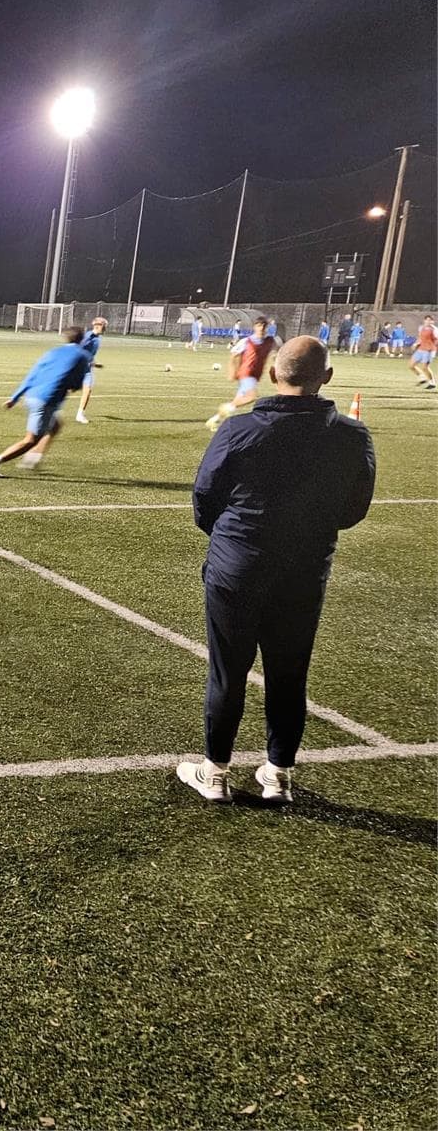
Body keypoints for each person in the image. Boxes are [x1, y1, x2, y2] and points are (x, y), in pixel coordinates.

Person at [180, 337, 374, 804]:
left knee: (228, 671)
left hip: (237, 566)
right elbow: (354, 508)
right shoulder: (352, 435)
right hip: (305, 570)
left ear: (273, 375)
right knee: (290, 672)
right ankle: (278, 774)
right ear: (326, 377)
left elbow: (205, 498)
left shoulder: (239, 429)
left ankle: (215, 773)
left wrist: (234, 538)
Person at [0, 325, 90, 477]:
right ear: (83, 339)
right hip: (47, 399)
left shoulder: (53, 352)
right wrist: (74, 385)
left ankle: (32, 459)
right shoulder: (83, 355)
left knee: (56, 426)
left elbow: (32, 374)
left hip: (32, 395)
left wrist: (15, 397)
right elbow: (76, 384)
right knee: (31, 440)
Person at [206, 317, 277, 430]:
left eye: (264, 326)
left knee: (238, 399)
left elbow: (275, 353)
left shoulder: (270, 341)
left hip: (255, 375)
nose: (262, 328)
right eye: (259, 325)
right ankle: (226, 407)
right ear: (254, 327)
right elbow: (233, 354)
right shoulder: (246, 341)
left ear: (267, 328)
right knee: (251, 396)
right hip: (246, 373)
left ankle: (215, 420)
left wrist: (276, 363)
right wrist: (232, 372)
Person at [74, 316, 107, 424]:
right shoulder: (89, 336)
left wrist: (94, 363)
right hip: (78, 367)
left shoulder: (97, 338)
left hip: (87, 368)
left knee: (87, 390)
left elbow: (89, 354)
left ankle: (80, 414)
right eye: (104, 326)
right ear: (98, 326)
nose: (105, 328)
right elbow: (78, 349)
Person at [410, 316, 437, 389]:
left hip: (429, 350)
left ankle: (432, 383)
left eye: (430, 320)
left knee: (425, 367)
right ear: (424, 321)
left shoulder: (434, 329)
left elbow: (436, 340)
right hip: (421, 349)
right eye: (426, 320)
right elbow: (420, 338)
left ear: (432, 322)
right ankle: (422, 378)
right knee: (411, 365)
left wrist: (432, 350)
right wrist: (416, 344)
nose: (428, 321)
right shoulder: (421, 328)